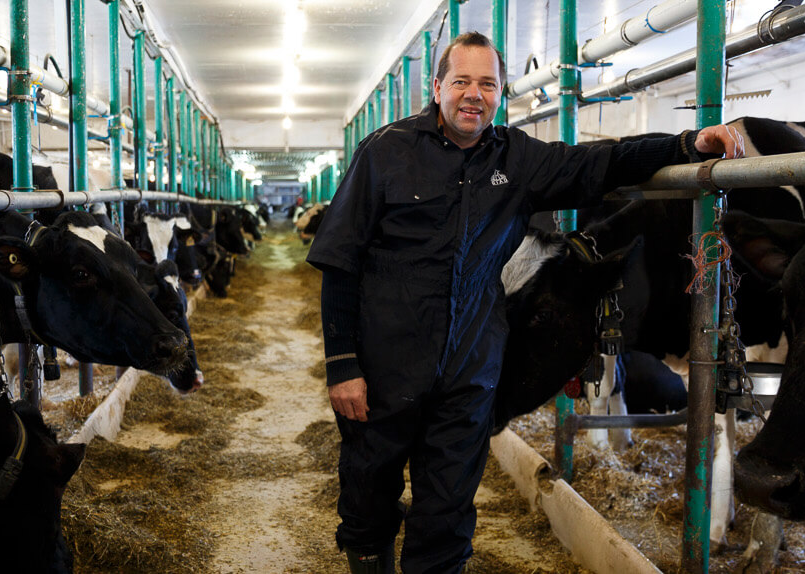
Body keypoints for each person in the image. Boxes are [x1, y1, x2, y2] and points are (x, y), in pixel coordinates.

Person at [306, 31, 743, 574]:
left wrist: (685, 145)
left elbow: (602, 163)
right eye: (461, 81)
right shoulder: (384, 152)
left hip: (469, 373)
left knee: (446, 515)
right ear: (437, 87)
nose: (474, 94)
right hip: (384, 366)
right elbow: (340, 262)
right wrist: (342, 364)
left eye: (487, 84)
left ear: (500, 92)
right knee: (368, 497)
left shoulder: (518, 158)